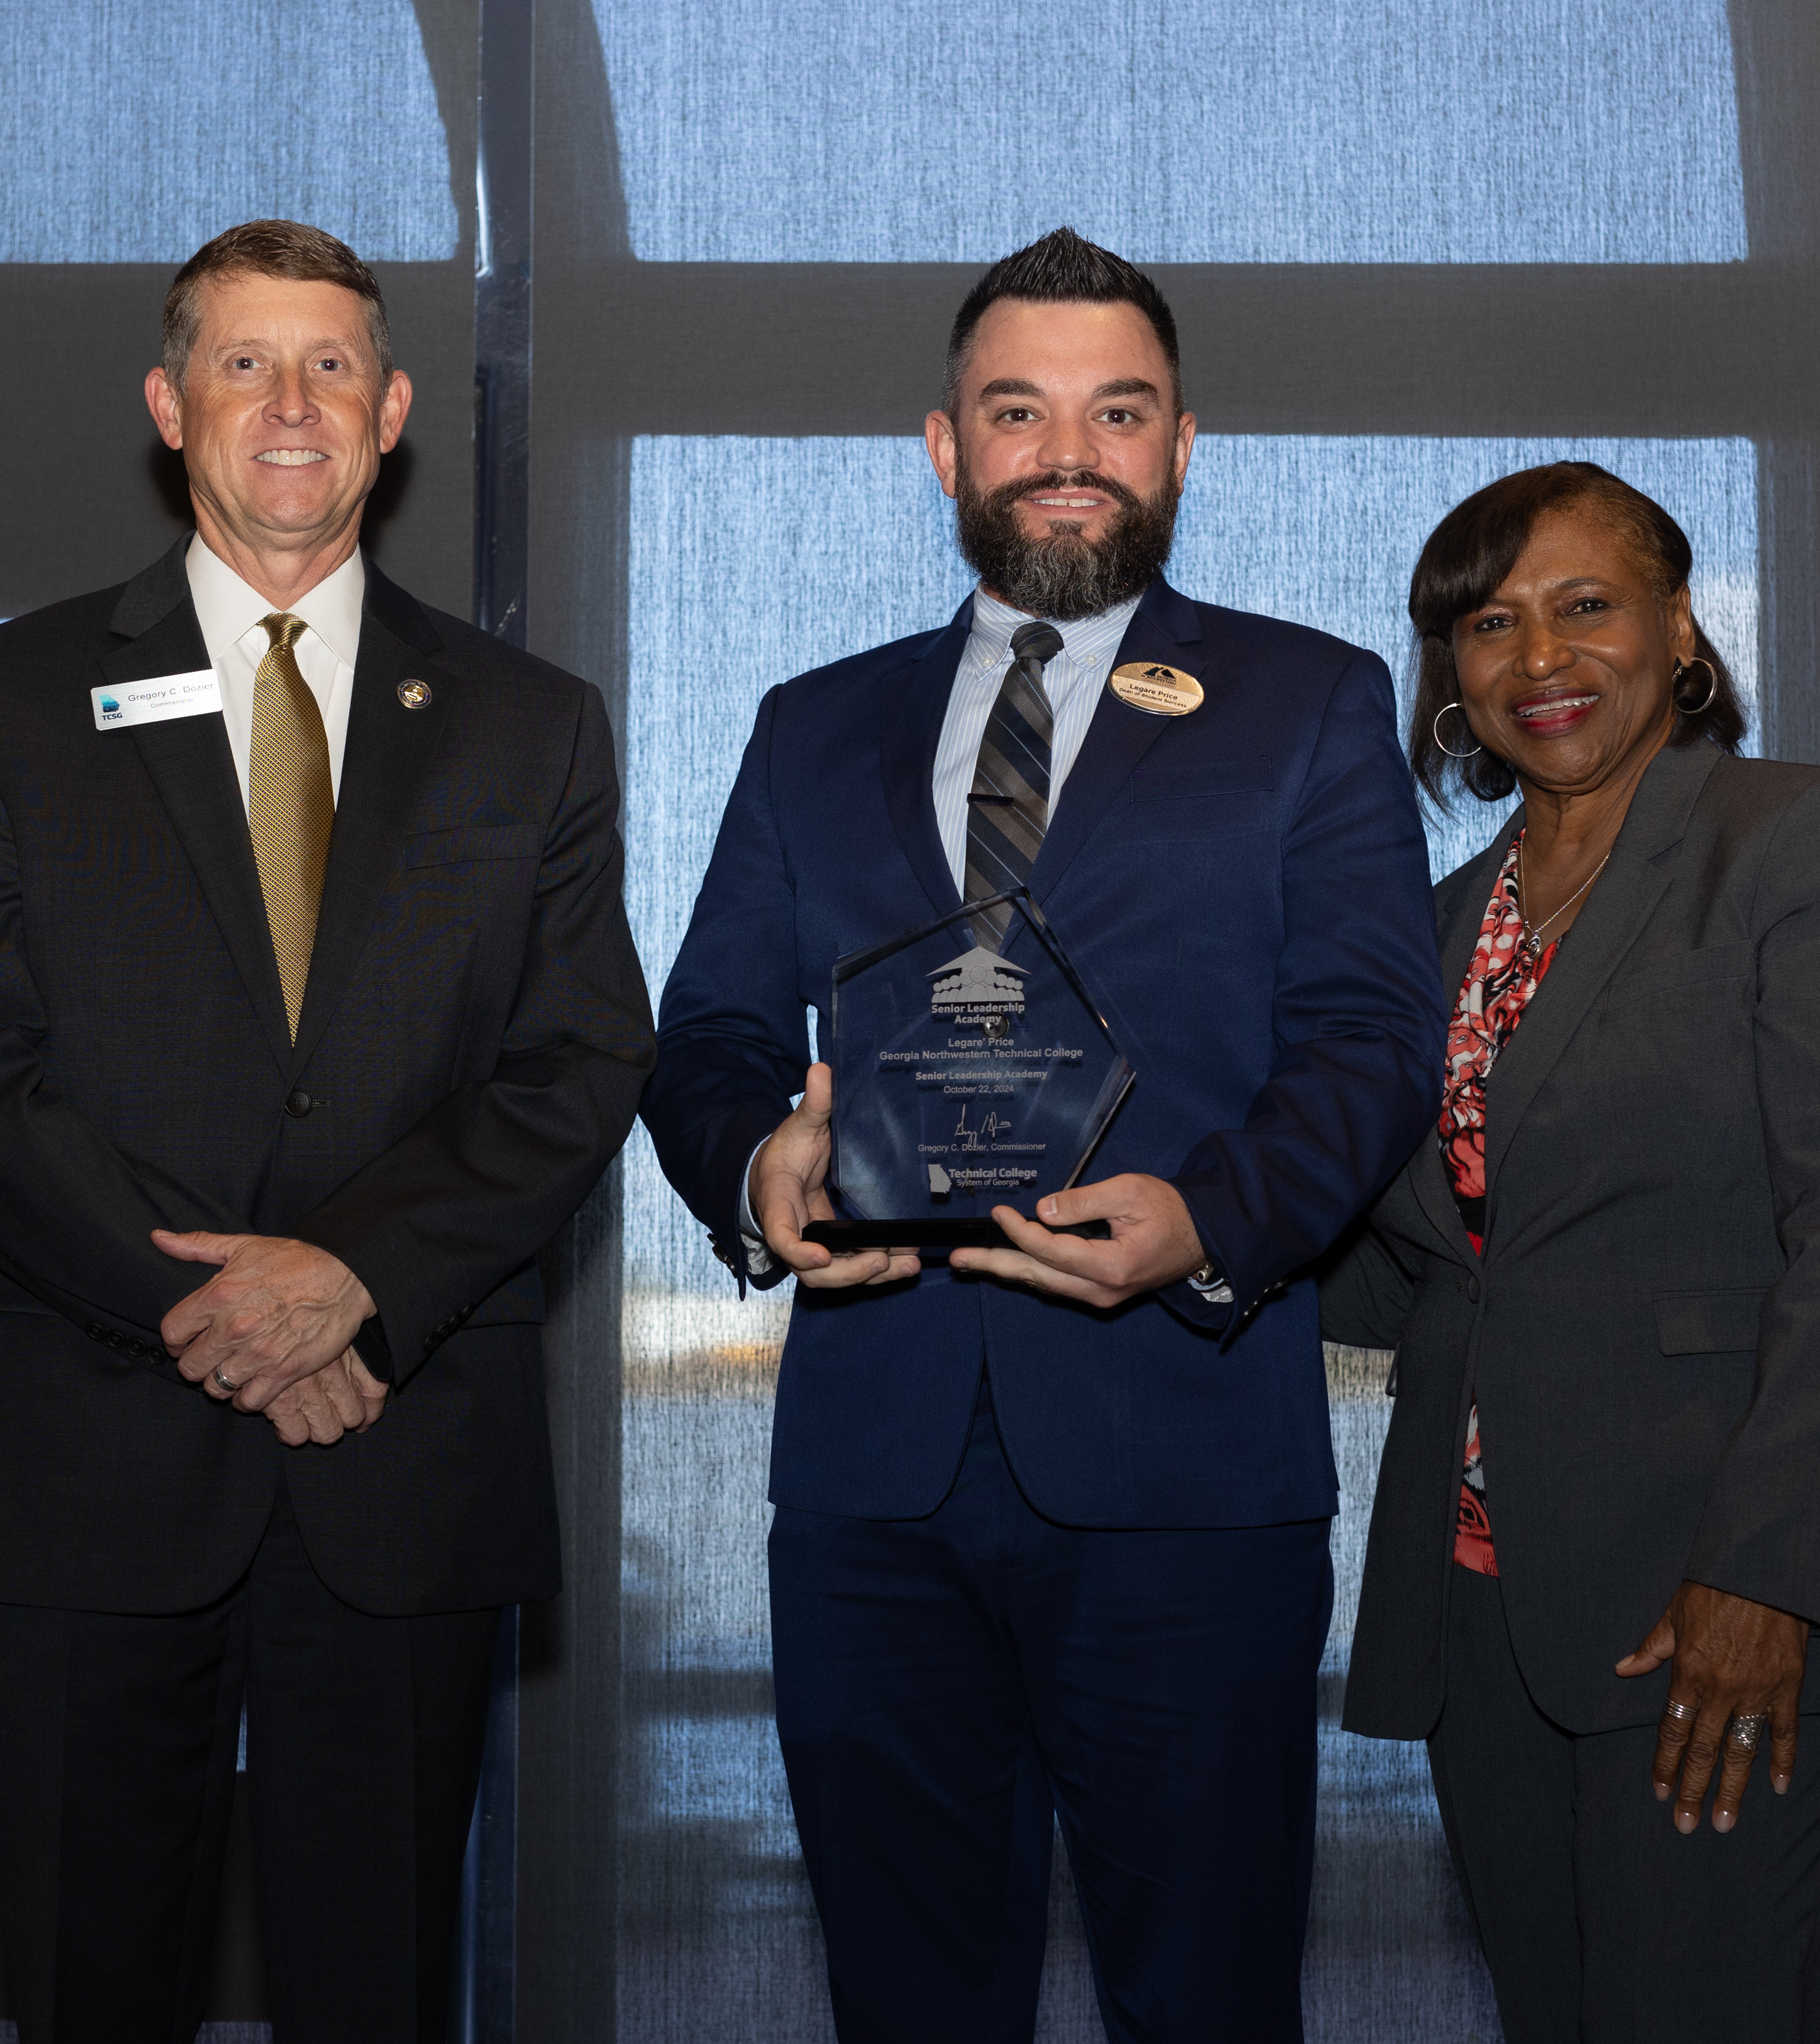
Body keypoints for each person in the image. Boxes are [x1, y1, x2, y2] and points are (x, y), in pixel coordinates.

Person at [641, 228, 1451, 2043]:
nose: (1066, 448)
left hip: (1187, 1457)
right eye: (1020, 410)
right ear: (947, 447)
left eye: (1118, 410)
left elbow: (1376, 1041)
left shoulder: (1312, 706)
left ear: (1181, 447)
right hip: (873, 1482)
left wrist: (1214, 1223)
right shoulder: (808, 725)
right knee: (907, 1998)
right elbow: (704, 1035)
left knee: (1209, 1997)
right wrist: (759, 1171)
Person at [0, 219, 652, 2041]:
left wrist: (357, 1283)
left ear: (388, 417)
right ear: (170, 407)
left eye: (327, 370)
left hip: (407, 1458)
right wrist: (224, 1313)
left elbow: (577, 1061)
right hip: (93, 1451)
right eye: (243, 363)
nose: (286, 404)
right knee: (88, 1980)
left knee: (379, 1988)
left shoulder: (529, 729)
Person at [1323, 462, 1820, 2042]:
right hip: (1487, 1614)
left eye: (1586, 608)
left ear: (1681, 628)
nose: (1539, 662)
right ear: (1450, 673)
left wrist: (1761, 1581)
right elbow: (1435, 1258)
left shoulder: (1802, 839)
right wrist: (1173, 1208)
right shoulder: (1436, 928)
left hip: (1726, 1603)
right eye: (1489, 627)